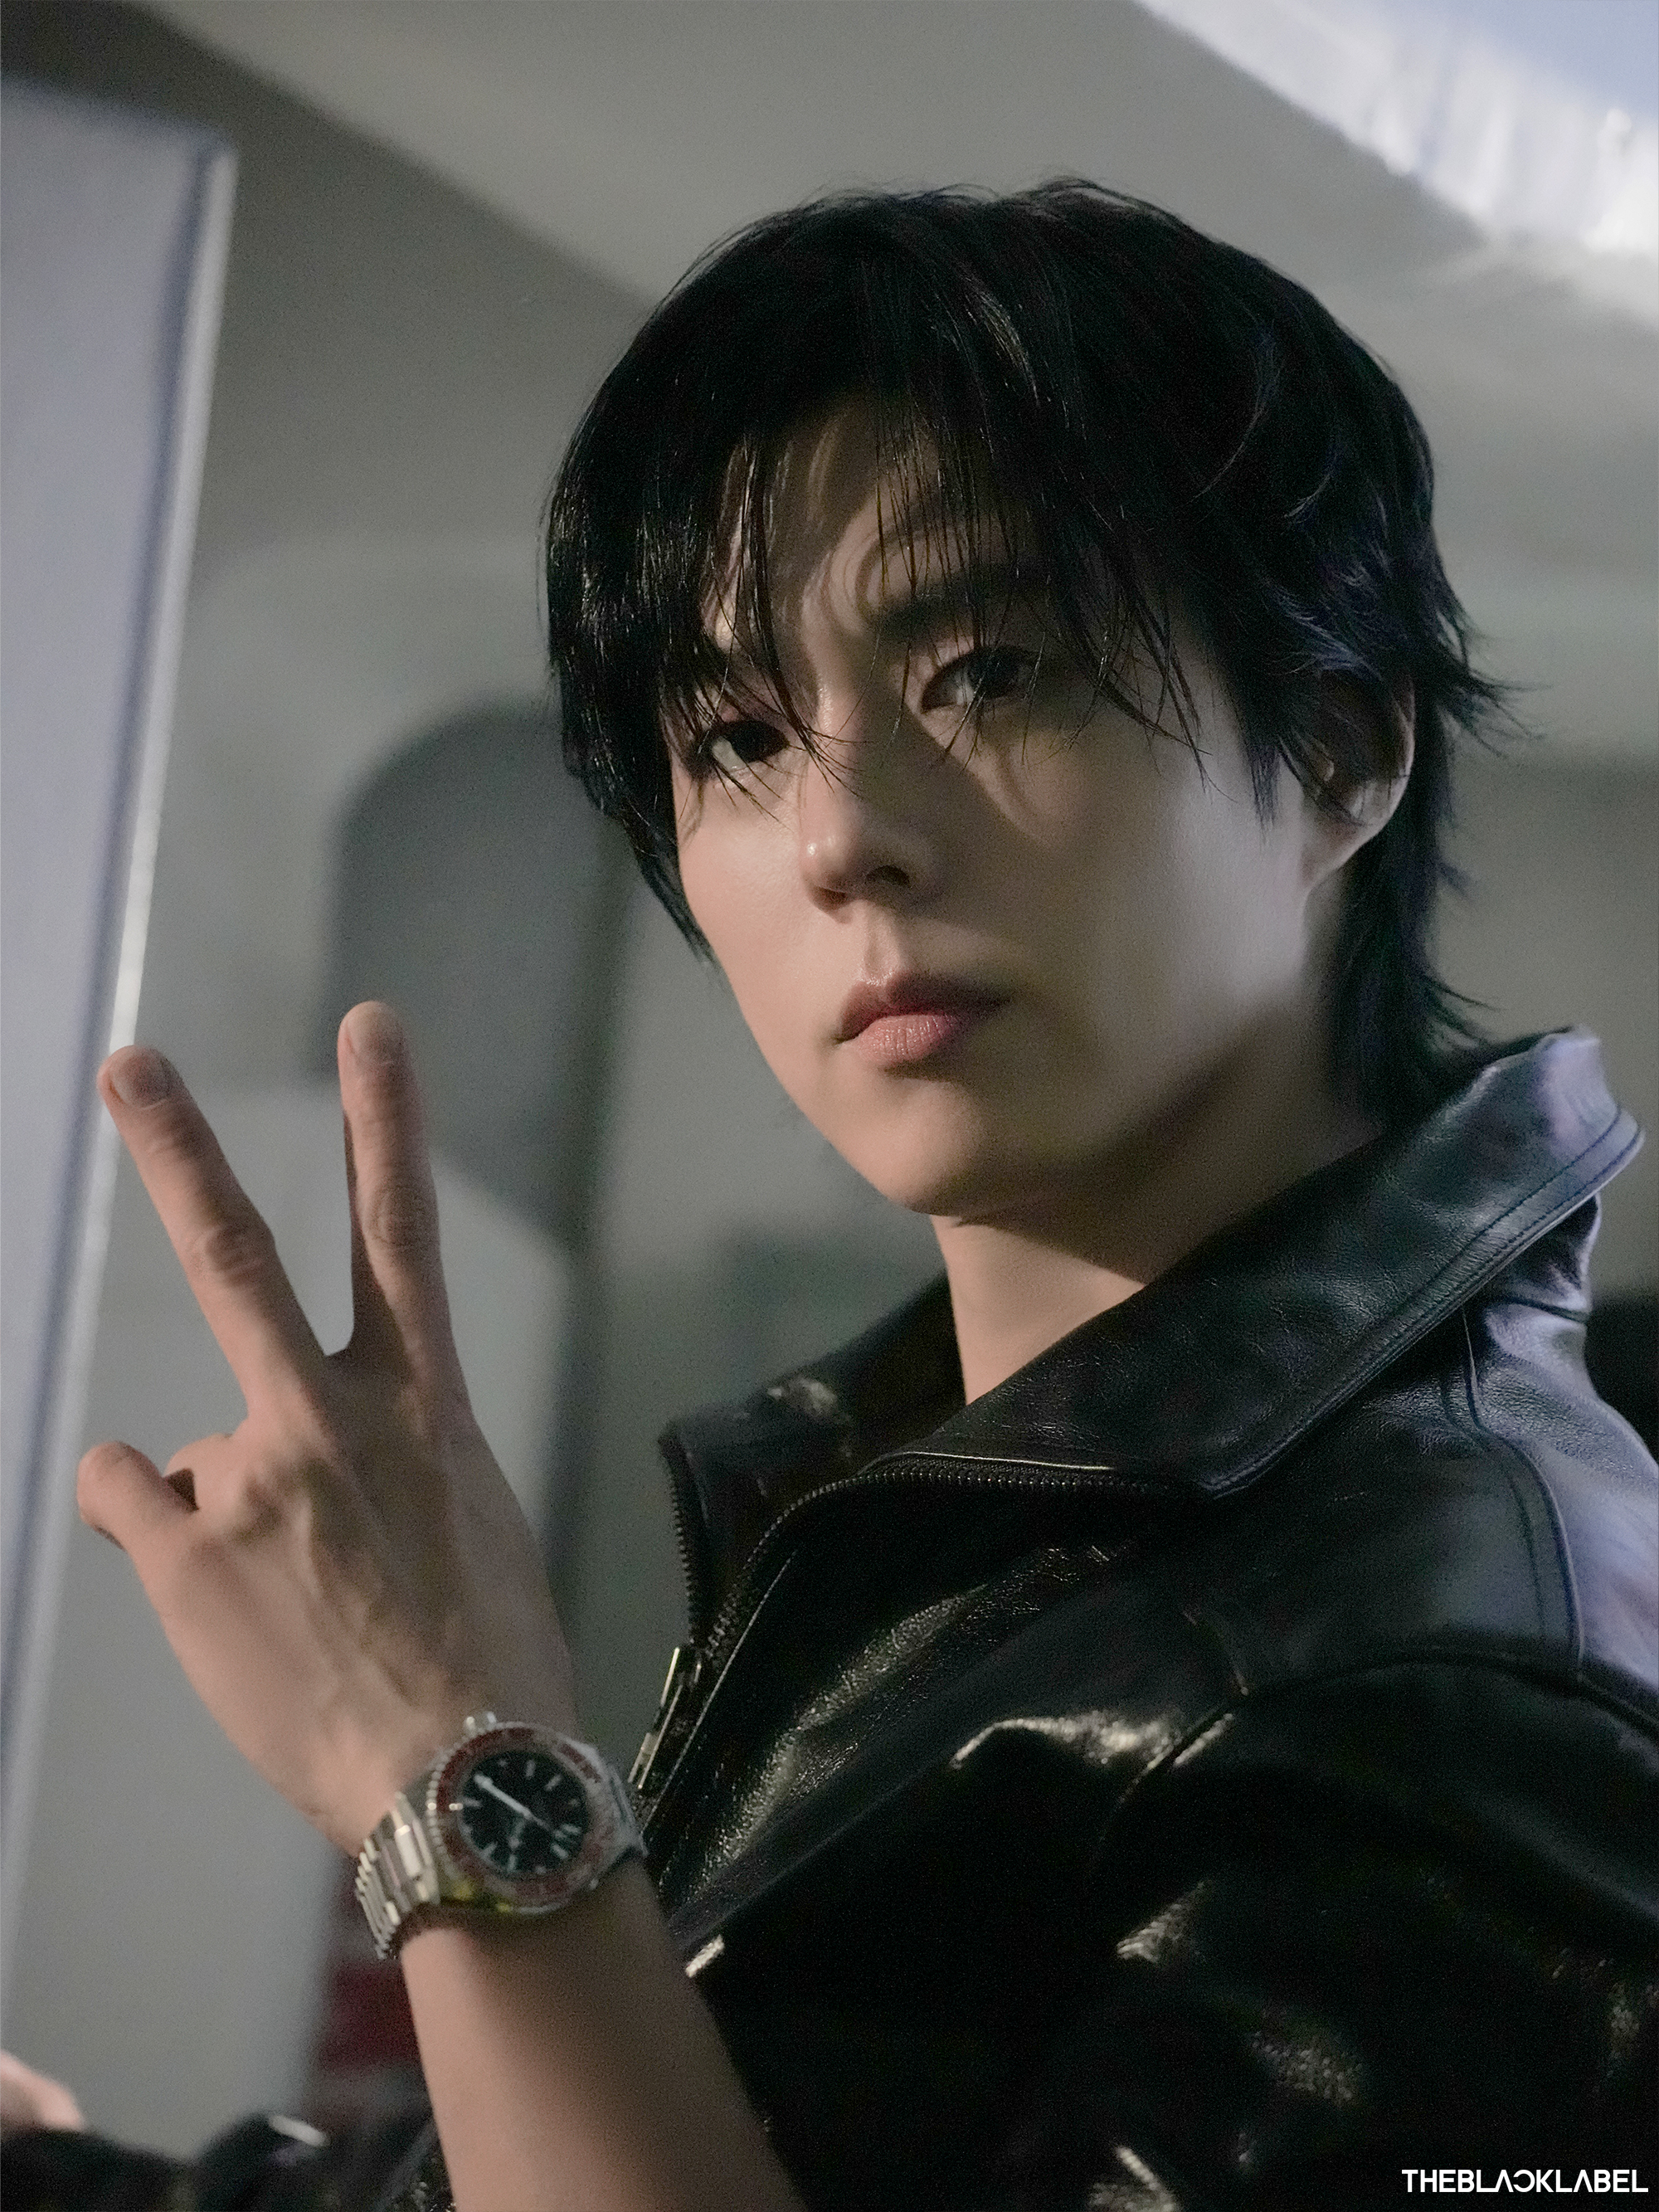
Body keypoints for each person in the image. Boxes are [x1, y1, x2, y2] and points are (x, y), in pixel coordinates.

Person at [4, 184, 1655, 2210]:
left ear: (1331, 751)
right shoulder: (946, 1526)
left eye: (987, 670)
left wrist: (454, 1764)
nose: (840, 837)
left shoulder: (1451, 1673)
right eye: (735, 734)